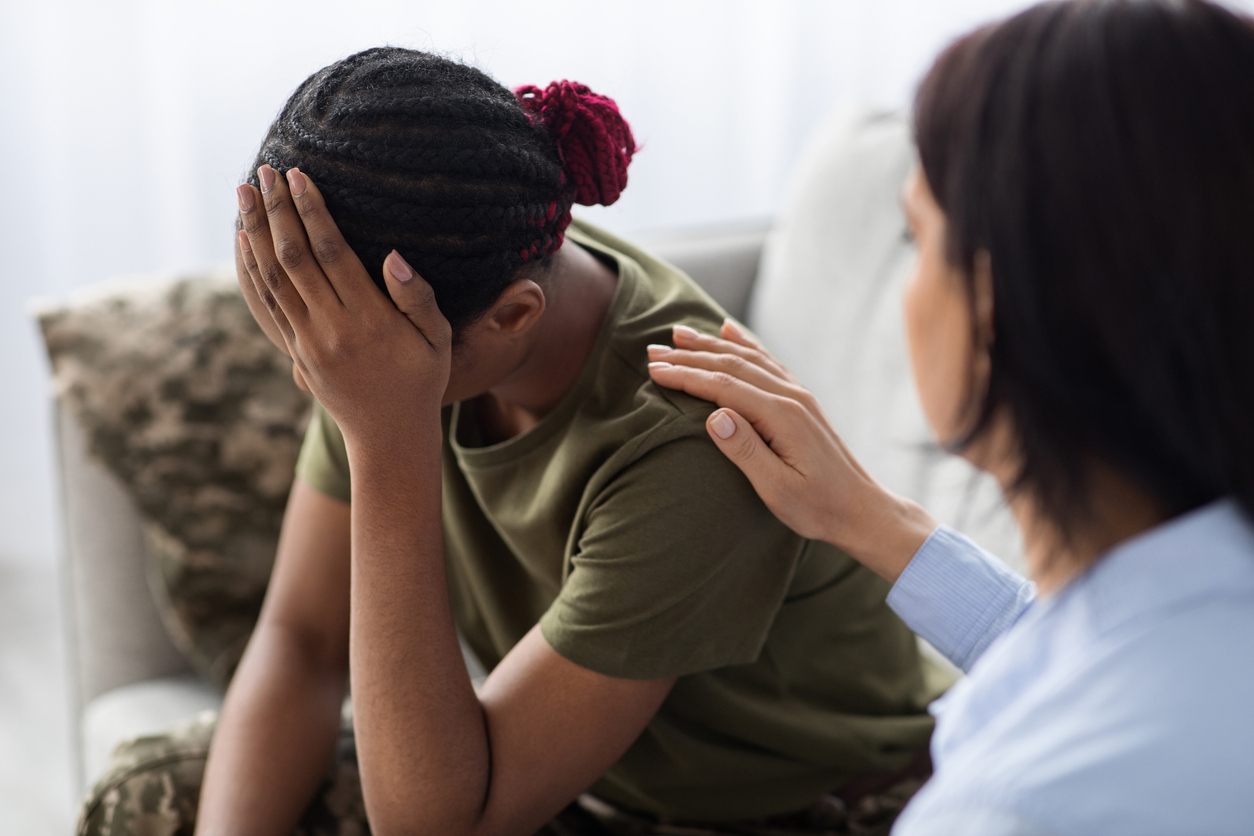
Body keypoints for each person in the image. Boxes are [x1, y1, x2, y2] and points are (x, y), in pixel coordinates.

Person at [78, 49, 943, 836]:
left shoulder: (688, 440)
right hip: (578, 780)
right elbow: (302, 645)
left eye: (330, 357)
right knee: (152, 795)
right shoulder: (407, 306)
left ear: (512, 318)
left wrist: (386, 436)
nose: (316, 373)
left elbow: (438, 827)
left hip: (797, 809)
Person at [646, 1, 1254, 833]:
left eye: (917, 236)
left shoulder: (1010, 809)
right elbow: (1100, 657)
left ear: (994, 302)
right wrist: (867, 518)